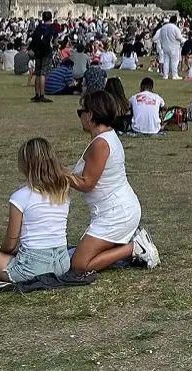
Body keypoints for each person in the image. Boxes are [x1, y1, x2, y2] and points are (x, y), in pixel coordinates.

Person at [0, 139, 73, 283]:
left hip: (31, 267)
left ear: (25, 165)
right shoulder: (62, 193)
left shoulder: (20, 197)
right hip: (62, 263)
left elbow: (9, 246)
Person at [70, 90, 159, 272]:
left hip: (116, 214)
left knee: (80, 265)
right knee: (83, 255)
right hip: (115, 210)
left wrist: (59, 176)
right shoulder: (107, 137)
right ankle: (128, 244)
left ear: (91, 115)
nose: (80, 116)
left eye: (81, 112)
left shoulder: (101, 144)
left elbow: (87, 183)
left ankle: (134, 247)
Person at [29, 12, 57, 103]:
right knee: (43, 73)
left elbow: (33, 38)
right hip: (46, 51)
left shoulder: (39, 27)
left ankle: (37, 94)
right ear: (51, 18)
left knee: (38, 72)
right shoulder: (52, 27)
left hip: (37, 51)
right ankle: (42, 94)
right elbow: (55, 40)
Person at [153, 15, 184, 80]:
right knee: (174, 61)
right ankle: (174, 75)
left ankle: (165, 75)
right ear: (175, 21)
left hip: (165, 46)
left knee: (166, 61)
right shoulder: (175, 28)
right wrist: (182, 40)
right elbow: (179, 37)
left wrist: (161, 45)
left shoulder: (163, 28)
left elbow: (160, 37)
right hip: (174, 46)